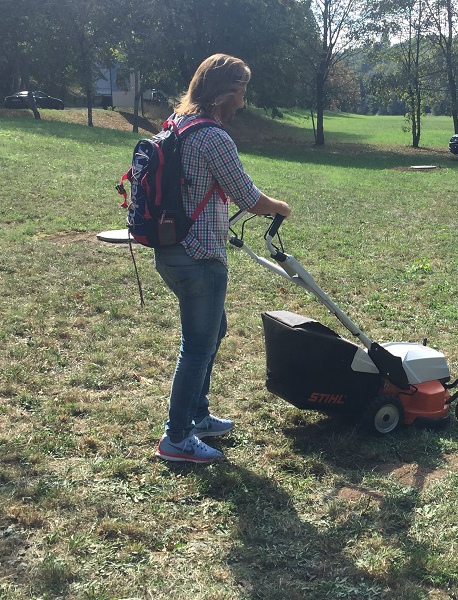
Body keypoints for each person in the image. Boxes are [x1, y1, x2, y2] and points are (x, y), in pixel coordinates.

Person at [154, 54, 292, 464]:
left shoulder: (176, 125)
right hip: (199, 256)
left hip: (171, 251)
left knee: (212, 332)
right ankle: (176, 438)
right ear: (225, 93)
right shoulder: (212, 136)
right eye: (242, 91)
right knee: (197, 347)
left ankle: (197, 416)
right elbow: (248, 198)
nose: (245, 101)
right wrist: (280, 206)